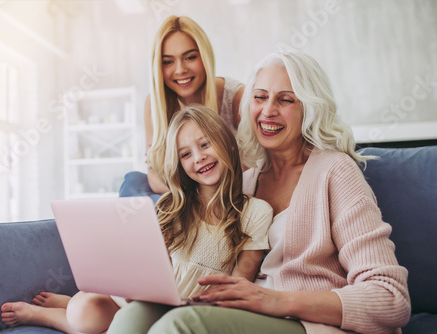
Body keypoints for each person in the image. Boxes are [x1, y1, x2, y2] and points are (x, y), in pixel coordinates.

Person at [106, 51, 412, 334]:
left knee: (184, 324)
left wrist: (276, 300)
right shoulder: (242, 181)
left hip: (308, 323)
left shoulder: (336, 171)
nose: (268, 111)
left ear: (310, 107)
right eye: (260, 97)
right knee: (133, 317)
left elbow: (391, 297)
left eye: (286, 100)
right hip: (247, 314)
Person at [1, 105, 272, 333]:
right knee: (85, 309)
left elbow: (242, 286)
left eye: (204, 144)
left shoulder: (256, 212)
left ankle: (61, 308)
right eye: (186, 154)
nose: (199, 158)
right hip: (144, 300)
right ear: (179, 165)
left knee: (86, 314)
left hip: (190, 311)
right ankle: (58, 309)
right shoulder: (171, 206)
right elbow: (148, 267)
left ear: (227, 144)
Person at [119, 15, 244, 203]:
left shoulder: (235, 97)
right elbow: (154, 174)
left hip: (222, 194)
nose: (180, 70)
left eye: (190, 57)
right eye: (168, 61)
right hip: (182, 196)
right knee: (132, 182)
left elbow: (250, 174)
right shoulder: (153, 105)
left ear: (205, 57)